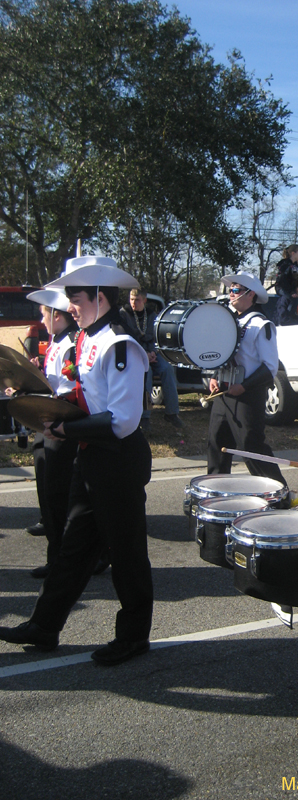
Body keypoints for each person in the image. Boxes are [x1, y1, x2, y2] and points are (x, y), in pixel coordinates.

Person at [0, 256, 154, 666]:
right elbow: (86, 398)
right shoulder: (89, 336)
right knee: (72, 549)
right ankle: (44, 626)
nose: (70, 304)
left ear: (101, 296)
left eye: (76, 296)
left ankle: (134, 637)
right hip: (93, 457)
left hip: (118, 460)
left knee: (126, 555)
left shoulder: (119, 343)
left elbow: (122, 420)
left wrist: (66, 430)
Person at [206, 271, 287, 488]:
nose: (231, 294)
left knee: (251, 448)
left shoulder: (261, 324)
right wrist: (214, 377)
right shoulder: (229, 322)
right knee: (217, 444)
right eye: (230, 290)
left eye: (235, 290)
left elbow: (270, 366)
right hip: (223, 394)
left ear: (250, 294)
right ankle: (216, 493)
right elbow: (223, 355)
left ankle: (279, 492)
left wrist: (244, 386)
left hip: (247, 396)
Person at [24, 289, 79, 579]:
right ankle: (58, 553)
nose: (40, 319)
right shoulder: (58, 340)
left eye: (43, 314)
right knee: (49, 492)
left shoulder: (72, 342)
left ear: (56, 315)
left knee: (60, 495)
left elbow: (71, 390)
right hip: (48, 422)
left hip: (61, 425)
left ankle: (62, 559)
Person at [120, 288, 182, 431]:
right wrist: (144, 353)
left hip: (152, 351)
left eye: (137, 300)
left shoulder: (152, 315)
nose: (133, 303)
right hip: (135, 352)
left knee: (167, 369)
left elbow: (157, 335)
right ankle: (144, 416)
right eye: (131, 299)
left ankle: (172, 412)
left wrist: (153, 352)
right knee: (145, 375)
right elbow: (127, 337)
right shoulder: (124, 314)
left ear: (144, 300)